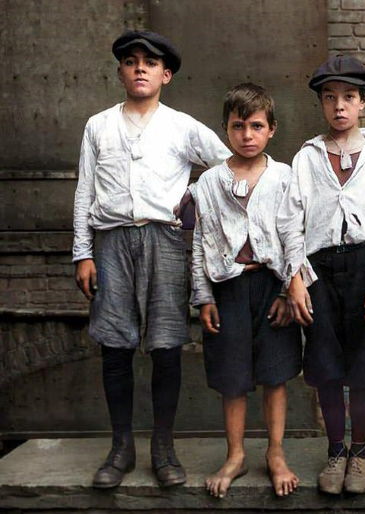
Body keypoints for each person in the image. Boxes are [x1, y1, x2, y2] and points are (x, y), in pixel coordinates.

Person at [72, 30, 230, 488]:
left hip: (165, 242)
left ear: (167, 74)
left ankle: (164, 447)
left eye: (150, 62)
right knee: (116, 345)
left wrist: (194, 200)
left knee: (165, 345)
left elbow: (229, 166)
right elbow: (85, 191)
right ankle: (121, 447)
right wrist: (83, 253)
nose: (140, 68)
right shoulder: (98, 125)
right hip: (112, 242)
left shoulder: (181, 126)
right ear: (121, 70)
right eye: (131, 61)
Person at [277, 54, 365, 495]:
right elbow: (290, 221)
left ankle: (361, 452)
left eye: (348, 97)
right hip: (319, 271)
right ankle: (335, 451)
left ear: (363, 103)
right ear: (321, 104)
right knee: (326, 365)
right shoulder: (307, 157)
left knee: (364, 366)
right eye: (330, 98)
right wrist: (294, 278)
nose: (339, 107)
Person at [189, 83, 303, 498]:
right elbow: (201, 242)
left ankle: (275, 452)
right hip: (228, 287)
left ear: (271, 129)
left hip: (272, 285)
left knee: (275, 374)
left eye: (256, 125)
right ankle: (235, 454)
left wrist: (291, 290)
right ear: (226, 130)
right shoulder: (210, 182)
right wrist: (202, 297)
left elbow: (294, 235)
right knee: (232, 377)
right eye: (239, 126)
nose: (248, 135)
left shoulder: (284, 176)